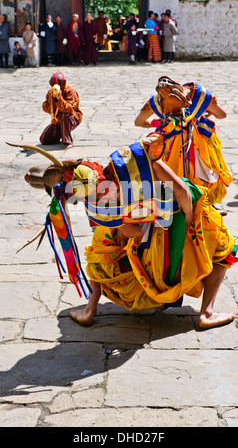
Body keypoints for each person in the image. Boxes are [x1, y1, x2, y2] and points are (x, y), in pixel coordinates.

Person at [21, 135, 238, 331]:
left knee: (99, 252)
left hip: (175, 213)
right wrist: (189, 222)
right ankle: (207, 313)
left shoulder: (101, 198)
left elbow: (137, 227)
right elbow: (180, 192)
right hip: (178, 213)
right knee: (222, 247)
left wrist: (183, 220)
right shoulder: (117, 175)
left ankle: (89, 310)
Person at [134, 76, 232, 207]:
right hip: (198, 143)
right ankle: (204, 204)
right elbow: (222, 114)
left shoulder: (156, 100)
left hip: (171, 144)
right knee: (202, 172)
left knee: (173, 173)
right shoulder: (199, 94)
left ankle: (178, 203)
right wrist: (206, 113)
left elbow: (138, 122)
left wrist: (158, 123)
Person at [39, 72, 83, 148]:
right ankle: (60, 134)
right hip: (57, 119)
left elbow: (69, 108)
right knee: (44, 140)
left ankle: (67, 141)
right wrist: (52, 100)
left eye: (59, 83)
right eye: (52, 84)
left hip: (72, 117)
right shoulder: (50, 92)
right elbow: (45, 106)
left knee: (63, 114)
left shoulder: (70, 92)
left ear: (64, 83)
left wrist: (59, 99)